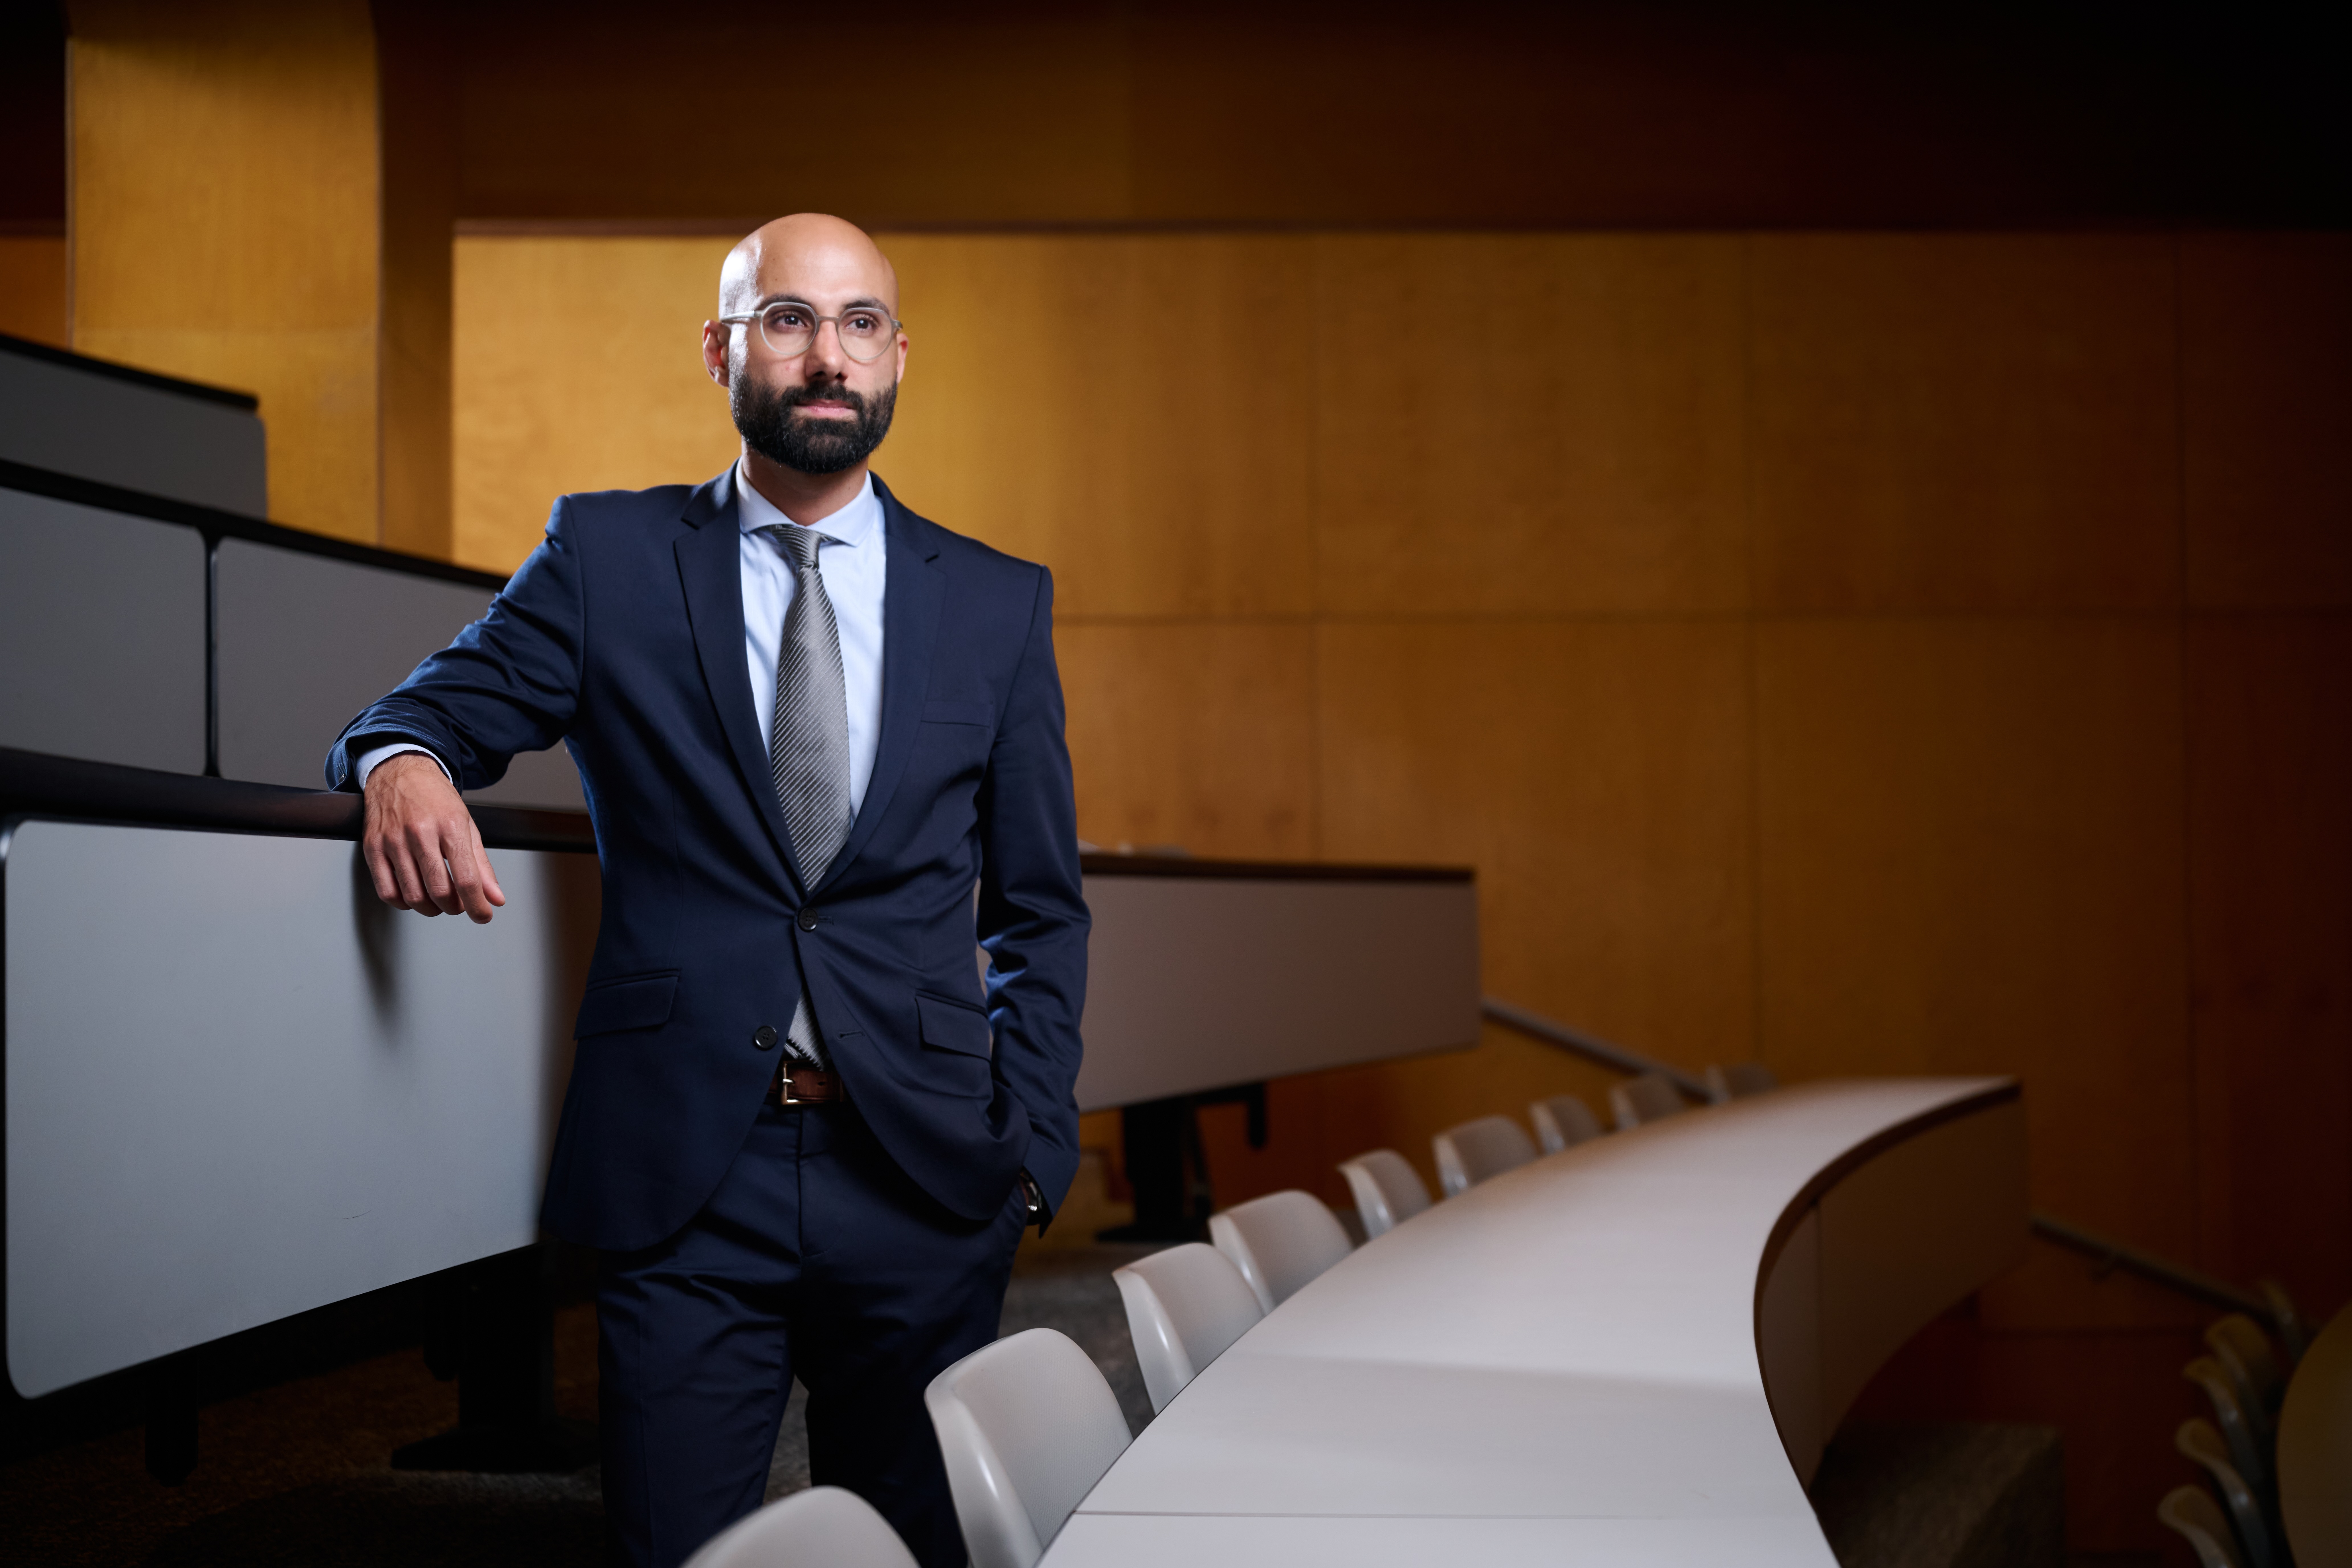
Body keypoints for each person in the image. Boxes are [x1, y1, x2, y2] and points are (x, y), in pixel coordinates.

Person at [326, 214, 1088, 1568]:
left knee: (915, 1545)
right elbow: (425, 710)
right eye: (788, 318)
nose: (827, 355)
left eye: (860, 323)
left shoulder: (994, 602)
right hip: (689, 1173)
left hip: (922, 1168)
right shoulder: (609, 559)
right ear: (722, 347)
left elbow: (1040, 908)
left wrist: (1028, 1148)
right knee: (677, 1549)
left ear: (898, 356)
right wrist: (402, 761)